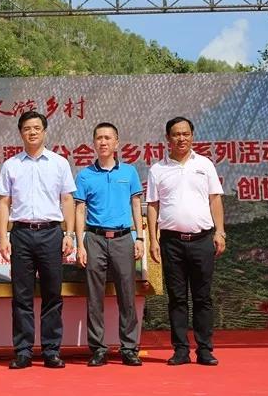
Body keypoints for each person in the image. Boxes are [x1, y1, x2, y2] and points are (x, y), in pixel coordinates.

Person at [0, 111, 76, 369]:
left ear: (44, 131)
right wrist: (3, 237)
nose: (32, 132)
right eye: (27, 128)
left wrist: (69, 233)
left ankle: (52, 350)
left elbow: (67, 199)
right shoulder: (11, 165)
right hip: (20, 234)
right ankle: (23, 351)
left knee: (53, 293)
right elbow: (4, 203)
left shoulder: (59, 163)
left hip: (51, 233)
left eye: (36, 128)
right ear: (20, 133)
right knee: (22, 295)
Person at [145, 116, 226, 367]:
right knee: (177, 298)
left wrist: (220, 232)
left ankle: (205, 350)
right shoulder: (158, 169)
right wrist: (153, 240)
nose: (181, 138)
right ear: (168, 138)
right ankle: (180, 350)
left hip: (202, 239)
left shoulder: (204, 164)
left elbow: (215, 199)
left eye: (186, 134)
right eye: (176, 134)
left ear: (192, 136)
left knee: (202, 297)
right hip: (171, 242)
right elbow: (153, 205)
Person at [74, 122, 144, 367]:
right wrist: (80, 244)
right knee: (95, 297)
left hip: (123, 238)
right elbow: (79, 210)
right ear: (93, 143)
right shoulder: (84, 175)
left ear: (116, 142)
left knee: (127, 295)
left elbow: (136, 205)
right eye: (99, 138)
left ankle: (129, 348)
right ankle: (98, 348)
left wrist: (140, 237)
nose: (103, 142)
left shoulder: (129, 172)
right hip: (94, 239)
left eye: (108, 138)